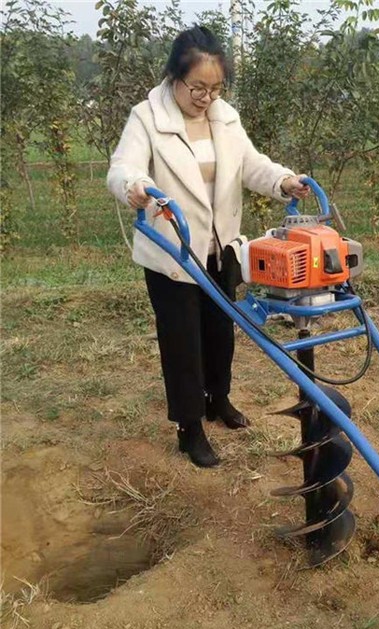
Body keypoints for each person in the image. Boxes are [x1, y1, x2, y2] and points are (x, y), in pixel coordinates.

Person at [107, 26, 310, 468]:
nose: (206, 97)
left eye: (215, 88)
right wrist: (136, 186)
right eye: (197, 87)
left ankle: (219, 400)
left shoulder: (225, 117)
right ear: (174, 78)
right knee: (182, 342)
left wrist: (282, 180)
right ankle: (190, 427)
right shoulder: (147, 119)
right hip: (173, 255)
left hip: (220, 250)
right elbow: (122, 167)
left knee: (220, 333)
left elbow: (250, 164)